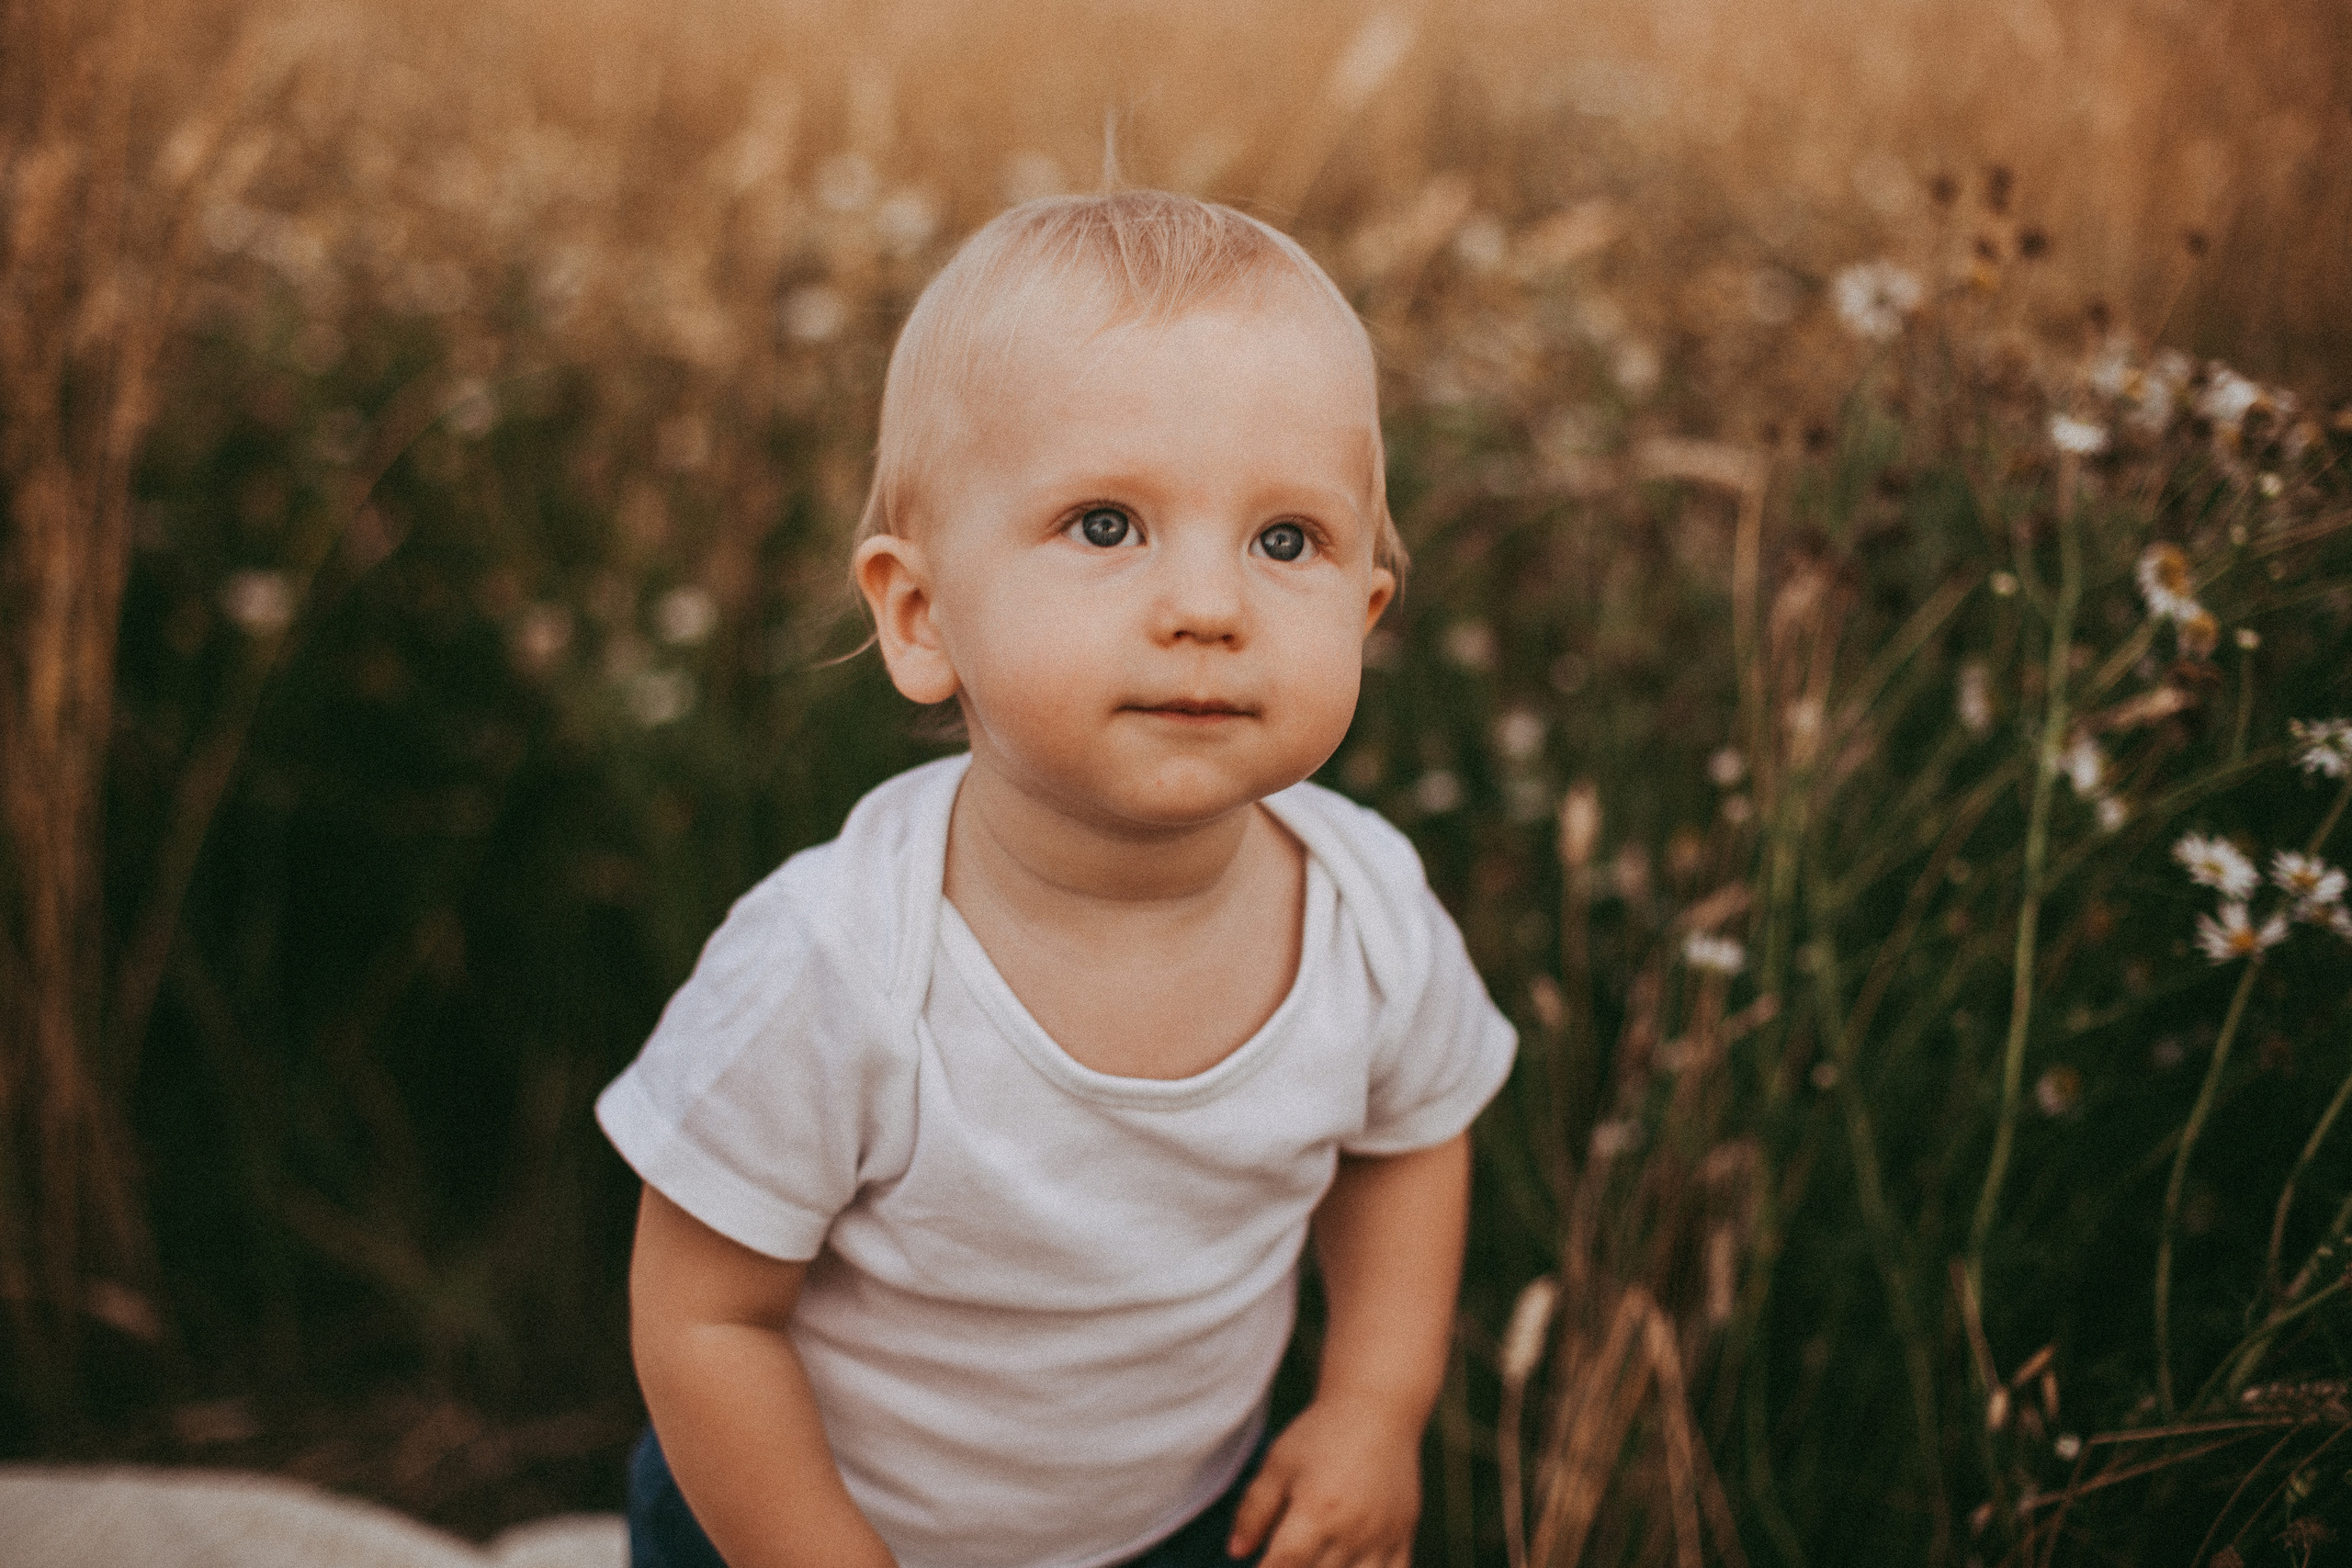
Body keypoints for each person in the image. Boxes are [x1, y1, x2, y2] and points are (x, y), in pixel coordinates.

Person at [597, 189, 1517, 1568]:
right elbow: (702, 1317)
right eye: (1105, 526)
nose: (1209, 607)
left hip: (1179, 1522)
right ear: (923, 617)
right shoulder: (839, 959)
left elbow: (1405, 1147)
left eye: (1286, 543)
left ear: (1366, 611)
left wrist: (1375, 1409)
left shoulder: (1365, 908)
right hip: (799, 1523)